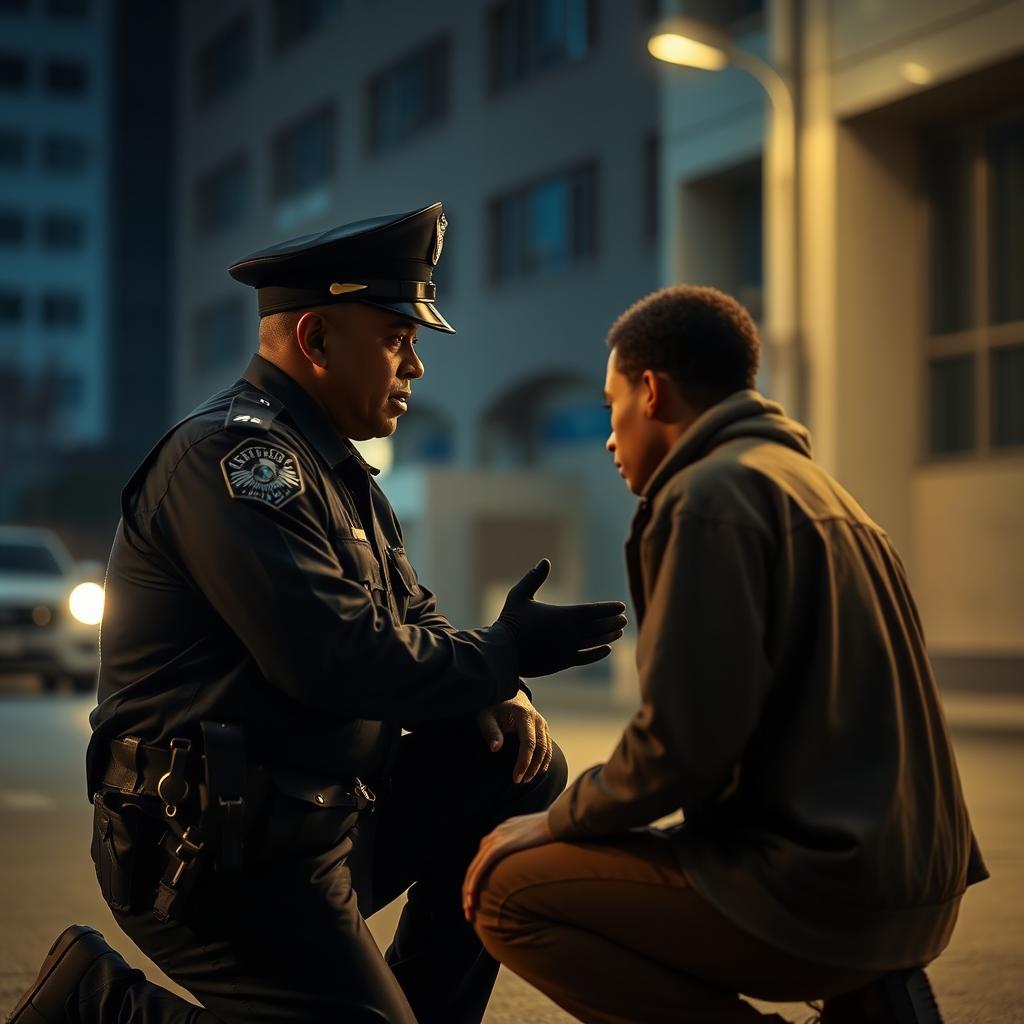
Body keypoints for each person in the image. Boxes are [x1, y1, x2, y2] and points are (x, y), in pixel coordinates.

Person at [8, 202, 628, 1024]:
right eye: (397, 339)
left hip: (314, 825)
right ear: (316, 340)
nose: (414, 366)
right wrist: (504, 650)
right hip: (210, 853)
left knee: (518, 765)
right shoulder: (234, 461)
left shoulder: (339, 476)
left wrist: (496, 688)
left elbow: (417, 618)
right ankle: (96, 1009)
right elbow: (334, 658)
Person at [463, 285, 988, 1024]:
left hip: (827, 896)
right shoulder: (826, 494)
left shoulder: (710, 497)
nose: (609, 440)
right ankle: (868, 1003)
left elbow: (681, 746)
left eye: (612, 408)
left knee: (505, 889)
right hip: (920, 885)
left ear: (652, 391)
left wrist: (554, 819)